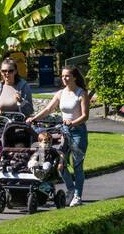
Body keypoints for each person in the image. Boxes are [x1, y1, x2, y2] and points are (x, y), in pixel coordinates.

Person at [29, 67, 90, 206]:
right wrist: (34, 118)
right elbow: (48, 109)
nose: (64, 78)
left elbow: (85, 116)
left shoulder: (81, 93)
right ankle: (71, 189)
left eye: (67, 76)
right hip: (63, 132)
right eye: (62, 76)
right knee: (59, 163)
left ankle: (78, 196)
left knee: (77, 165)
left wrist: (72, 122)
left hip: (77, 132)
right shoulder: (60, 93)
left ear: (74, 77)